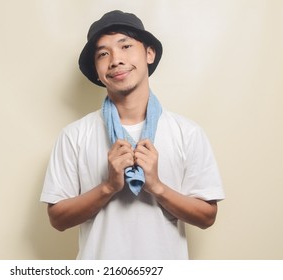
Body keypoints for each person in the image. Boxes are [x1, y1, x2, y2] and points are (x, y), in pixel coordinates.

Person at [40, 10, 225, 259]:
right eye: (103, 54)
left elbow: (207, 217)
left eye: (125, 46)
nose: (115, 59)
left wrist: (157, 187)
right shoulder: (74, 135)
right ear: (97, 70)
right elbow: (58, 219)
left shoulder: (187, 132)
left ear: (149, 53)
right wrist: (108, 186)